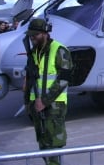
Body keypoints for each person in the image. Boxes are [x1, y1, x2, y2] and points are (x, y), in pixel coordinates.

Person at [23, 19, 73, 165]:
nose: (32, 38)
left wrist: (44, 101)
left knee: (53, 144)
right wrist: (27, 103)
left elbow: (64, 79)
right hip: (36, 105)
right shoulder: (34, 53)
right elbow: (31, 79)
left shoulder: (59, 50)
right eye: (31, 36)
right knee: (43, 143)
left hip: (54, 105)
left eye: (35, 35)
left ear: (45, 33)